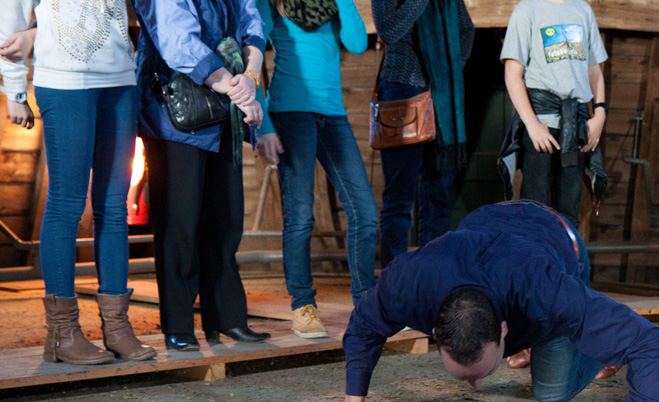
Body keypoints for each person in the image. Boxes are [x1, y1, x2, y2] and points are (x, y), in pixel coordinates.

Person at [289, 200, 659, 402]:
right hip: (488, 220)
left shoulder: (548, 292)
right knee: (550, 335)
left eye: (481, 372)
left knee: (552, 390)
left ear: (504, 328)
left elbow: (651, 343)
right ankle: (538, 345)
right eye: (467, 375)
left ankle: (592, 348)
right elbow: (362, 329)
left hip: (555, 235)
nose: (475, 385)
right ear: (436, 330)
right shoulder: (408, 284)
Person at [1, 0, 156, 365]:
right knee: (67, 204)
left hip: (121, 81)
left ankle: (117, 328)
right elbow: (10, 21)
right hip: (66, 81)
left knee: (114, 207)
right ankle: (61, 333)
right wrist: (15, 92)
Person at [132, 0, 270, 351]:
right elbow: (177, 37)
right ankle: (179, 324)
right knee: (180, 223)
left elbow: (252, 20)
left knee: (225, 219)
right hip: (177, 112)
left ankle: (227, 319)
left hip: (224, 109)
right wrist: (233, 86)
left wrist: (250, 75)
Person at [254, 0, 378, 339]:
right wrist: (262, 123)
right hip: (291, 113)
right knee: (300, 214)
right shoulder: (273, 3)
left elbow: (355, 43)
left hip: (332, 115)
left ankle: (366, 302)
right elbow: (250, 54)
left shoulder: (331, 4)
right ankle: (303, 307)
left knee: (365, 211)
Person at [372, 0, 474, 267]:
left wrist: (449, 68)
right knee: (399, 197)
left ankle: (432, 274)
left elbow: (466, 29)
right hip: (403, 91)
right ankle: (395, 279)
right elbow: (389, 32)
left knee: (437, 192)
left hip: (441, 94)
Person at [499, 0, 608, 228]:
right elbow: (512, 73)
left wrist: (600, 112)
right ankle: (535, 263)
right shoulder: (527, 9)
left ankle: (565, 263)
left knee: (569, 213)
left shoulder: (583, 10)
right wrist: (532, 124)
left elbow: (593, 68)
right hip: (542, 124)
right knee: (534, 212)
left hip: (576, 126)